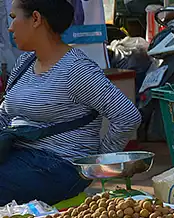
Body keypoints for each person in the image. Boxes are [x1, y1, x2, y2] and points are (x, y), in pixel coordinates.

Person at [0, 0, 141, 206]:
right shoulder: (25, 63)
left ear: (36, 19)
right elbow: (5, 113)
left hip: (59, 165)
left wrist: (97, 164)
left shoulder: (76, 70)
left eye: (14, 18)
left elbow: (127, 116)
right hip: (18, 153)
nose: (10, 27)